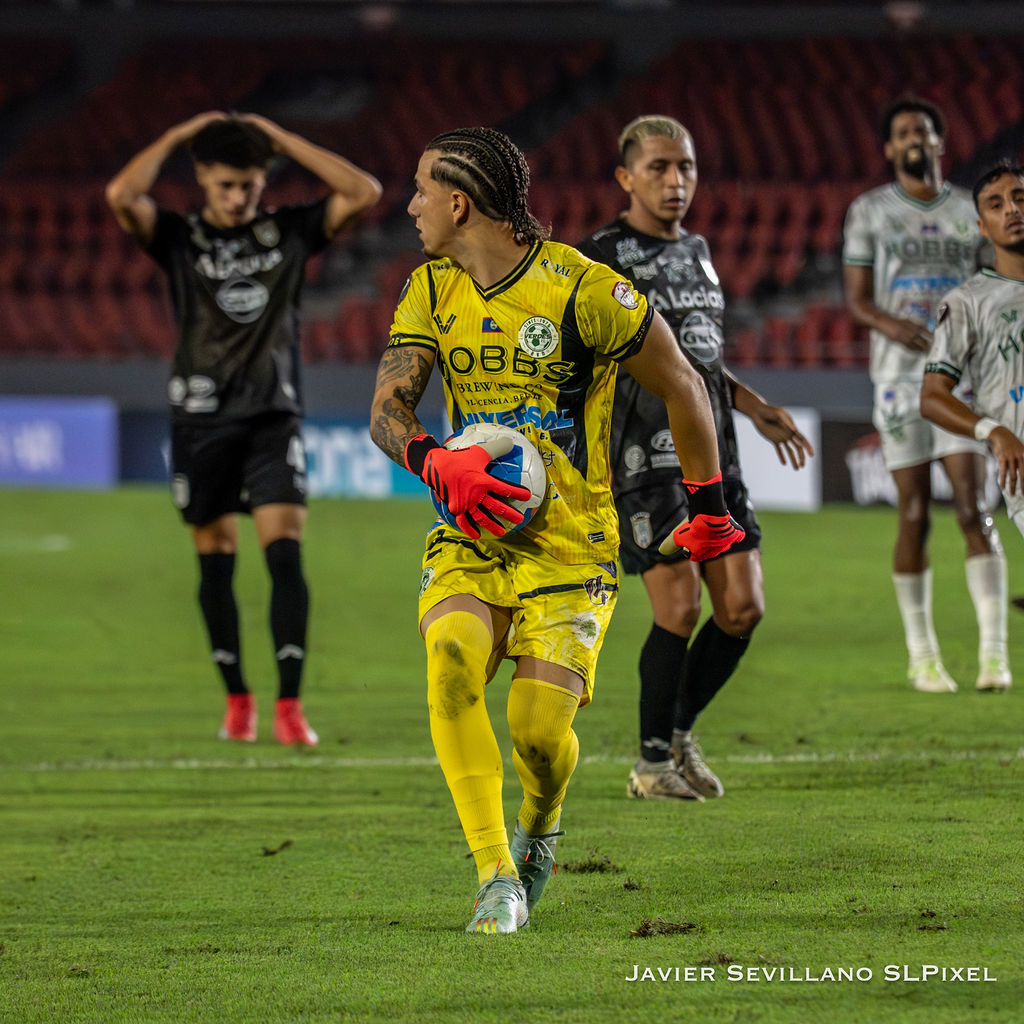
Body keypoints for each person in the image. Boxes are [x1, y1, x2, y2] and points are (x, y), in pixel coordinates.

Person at [369, 126, 743, 934]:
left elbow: (685, 384)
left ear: (459, 203)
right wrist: (435, 460)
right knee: (451, 660)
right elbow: (387, 409)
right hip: (473, 529)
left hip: (571, 546)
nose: (411, 206)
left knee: (538, 735)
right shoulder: (430, 289)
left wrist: (709, 507)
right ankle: (495, 876)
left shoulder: (583, 290)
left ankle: (540, 828)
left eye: (421, 189)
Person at [106, 112, 383, 743]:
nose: (238, 198)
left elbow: (362, 191)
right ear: (202, 177)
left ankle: (290, 706)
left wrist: (281, 139)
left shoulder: (287, 232)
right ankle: (237, 699)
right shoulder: (179, 237)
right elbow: (121, 195)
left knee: (284, 554)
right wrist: (176, 135)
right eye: (226, 185)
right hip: (200, 419)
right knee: (215, 564)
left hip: (271, 418)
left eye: (250, 185)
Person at [579, 115, 814, 802]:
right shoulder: (599, 256)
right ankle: (651, 765)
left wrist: (750, 402)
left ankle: (679, 732)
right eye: (658, 167)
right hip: (642, 455)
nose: (675, 180)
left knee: (742, 607)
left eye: (684, 166)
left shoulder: (700, 252)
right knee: (678, 609)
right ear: (625, 178)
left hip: (715, 452)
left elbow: (696, 359)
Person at [842, 95, 1009, 694]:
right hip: (897, 379)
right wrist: (891, 325)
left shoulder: (970, 210)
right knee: (912, 515)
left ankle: (994, 655)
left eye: (923, 130)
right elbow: (857, 299)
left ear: (940, 141)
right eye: (904, 132)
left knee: (972, 507)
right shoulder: (869, 211)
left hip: (959, 376)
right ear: (890, 148)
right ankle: (923, 657)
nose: (914, 139)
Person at [921, 163, 1024, 600]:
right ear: (982, 227)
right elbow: (932, 396)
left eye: (1020, 198)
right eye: (996, 205)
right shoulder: (967, 303)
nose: (1012, 209)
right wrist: (994, 431)